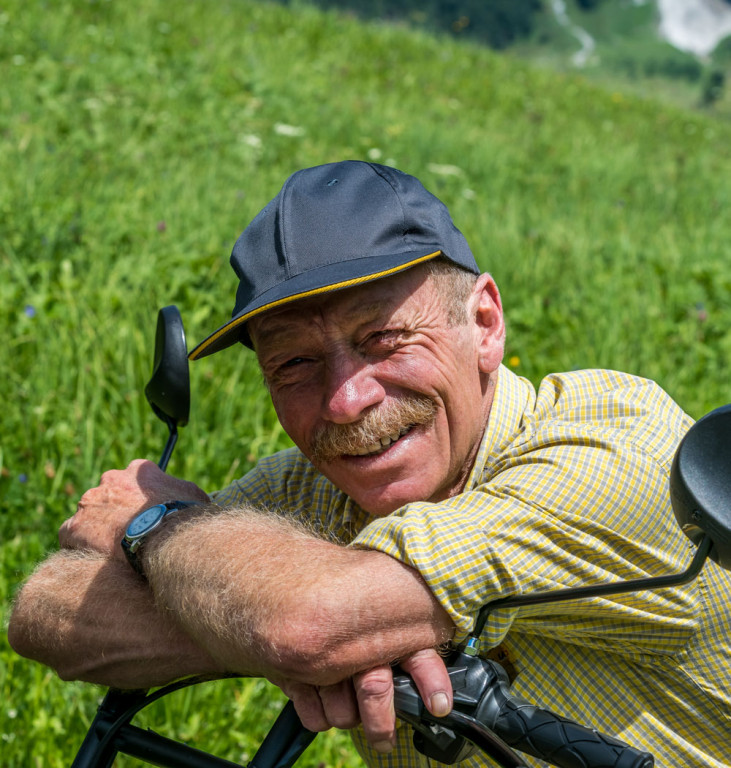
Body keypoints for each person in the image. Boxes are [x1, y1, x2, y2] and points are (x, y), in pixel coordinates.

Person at [8, 161, 731, 767]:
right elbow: (46, 611)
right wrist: (290, 624)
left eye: (384, 339)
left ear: (483, 323)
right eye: (293, 363)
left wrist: (157, 526)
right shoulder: (312, 491)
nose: (346, 401)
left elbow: (304, 623)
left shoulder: (613, 447)